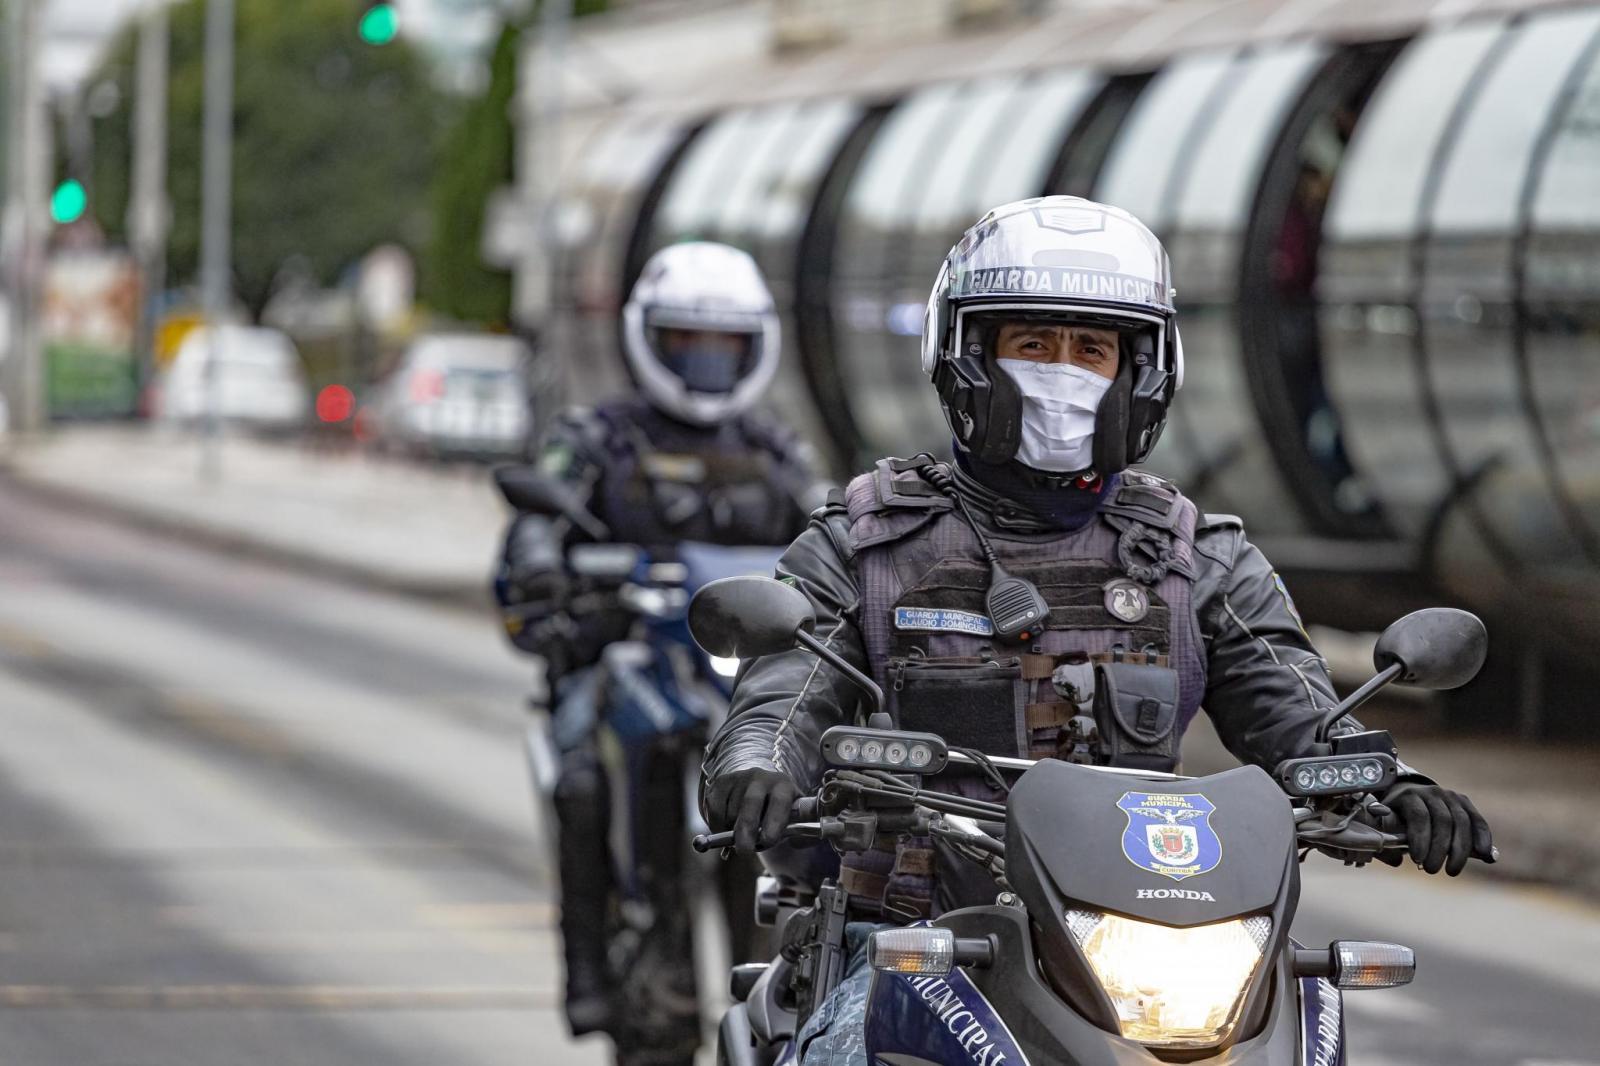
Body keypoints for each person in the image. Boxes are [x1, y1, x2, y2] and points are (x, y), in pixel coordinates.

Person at [699, 196, 1493, 1064]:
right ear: (967, 355)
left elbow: (1306, 721)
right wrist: (758, 765)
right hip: (920, 946)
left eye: (1093, 350)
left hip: (1153, 952)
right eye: (1033, 344)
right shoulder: (868, 544)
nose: (1064, 372)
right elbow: (785, 695)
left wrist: (1400, 787)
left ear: (1140, 372)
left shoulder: (1199, 561)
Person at [495, 241, 827, 1058]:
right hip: (633, 660)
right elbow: (537, 520)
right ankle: (591, 974)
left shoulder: (777, 451)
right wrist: (542, 565)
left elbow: (835, 534)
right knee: (579, 779)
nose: (707, 359)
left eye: (724, 343)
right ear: (651, 337)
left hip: (746, 677)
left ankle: (824, 974)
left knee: (845, 787)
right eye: (688, 340)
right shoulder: (596, 438)